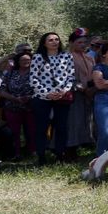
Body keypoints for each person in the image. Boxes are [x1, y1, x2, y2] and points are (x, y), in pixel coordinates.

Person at [29, 31, 75, 164]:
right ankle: (41, 156)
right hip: (42, 97)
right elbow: (33, 79)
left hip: (62, 96)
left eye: (57, 39)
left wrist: (64, 91)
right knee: (41, 127)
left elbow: (71, 76)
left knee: (61, 127)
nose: (55, 42)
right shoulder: (38, 57)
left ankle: (60, 155)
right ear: (44, 43)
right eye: (51, 40)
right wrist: (47, 93)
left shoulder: (67, 56)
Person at [0, 51, 36, 161]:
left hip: (31, 107)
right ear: (17, 62)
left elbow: (42, 89)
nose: (26, 62)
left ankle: (32, 152)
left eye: (28, 60)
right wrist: (14, 98)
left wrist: (29, 97)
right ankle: (16, 153)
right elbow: (2, 90)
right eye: (23, 60)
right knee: (14, 132)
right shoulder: (10, 74)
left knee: (32, 131)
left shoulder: (36, 73)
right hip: (12, 107)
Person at [67, 29, 97, 156]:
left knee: (86, 119)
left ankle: (84, 142)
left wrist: (92, 88)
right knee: (73, 120)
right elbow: (66, 77)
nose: (83, 45)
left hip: (89, 93)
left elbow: (93, 75)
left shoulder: (89, 58)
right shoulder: (66, 56)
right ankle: (70, 148)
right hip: (73, 93)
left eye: (85, 42)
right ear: (72, 43)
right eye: (80, 42)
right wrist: (82, 89)